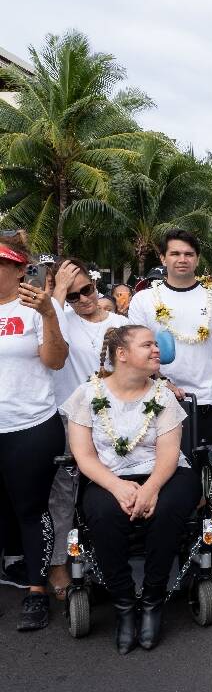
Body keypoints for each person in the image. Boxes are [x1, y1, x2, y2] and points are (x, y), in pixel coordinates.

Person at [62, 325, 200, 653]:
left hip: (164, 474)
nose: (157, 350)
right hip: (109, 476)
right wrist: (117, 487)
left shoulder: (163, 395)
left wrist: (150, 489)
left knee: (166, 511)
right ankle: (124, 605)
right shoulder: (86, 395)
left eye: (156, 344)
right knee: (103, 514)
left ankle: (152, 601)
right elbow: (84, 455)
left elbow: (168, 454)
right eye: (147, 345)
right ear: (122, 354)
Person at [49, 259, 130, 599]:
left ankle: (118, 557)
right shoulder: (57, 321)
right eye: (73, 295)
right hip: (71, 418)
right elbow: (48, 342)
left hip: (117, 418)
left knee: (116, 487)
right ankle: (58, 565)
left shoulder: (121, 324)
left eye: (87, 289)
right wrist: (57, 292)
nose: (83, 299)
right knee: (63, 495)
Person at [0, 234, 69, 630]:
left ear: (19, 270)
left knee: (30, 509)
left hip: (30, 426)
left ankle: (36, 591)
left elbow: (56, 361)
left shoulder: (37, 308)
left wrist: (48, 314)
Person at [128, 230, 212, 452]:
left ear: (197, 259)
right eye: (175, 254)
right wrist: (162, 383)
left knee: (205, 466)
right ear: (163, 258)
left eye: (189, 254)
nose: (182, 259)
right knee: (161, 466)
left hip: (208, 401)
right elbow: (137, 354)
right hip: (156, 397)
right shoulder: (143, 300)